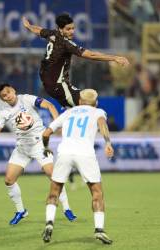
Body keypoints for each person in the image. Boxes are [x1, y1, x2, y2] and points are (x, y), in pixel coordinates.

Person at [0, 83, 76, 225]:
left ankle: (67, 208)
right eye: (4, 96)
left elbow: (49, 105)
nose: (7, 96)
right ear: (2, 99)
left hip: (39, 145)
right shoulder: (4, 112)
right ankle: (21, 211)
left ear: (13, 90)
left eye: (8, 92)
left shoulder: (26, 99)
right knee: (8, 180)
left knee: (53, 176)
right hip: (22, 148)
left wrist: (56, 125)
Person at [41, 89, 114, 244]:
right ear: (96, 102)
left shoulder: (68, 112)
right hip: (85, 154)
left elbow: (46, 134)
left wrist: (46, 148)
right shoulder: (98, 111)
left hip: (65, 153)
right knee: (97, 193)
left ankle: (49, 223)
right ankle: (99, 230)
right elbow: (102, 124)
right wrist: (107, 142)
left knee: (54, 191)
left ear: (80, 101)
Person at [22, 13, 129, 108]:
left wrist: (28, 26)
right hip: (59, 86)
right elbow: (90, 55)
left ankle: (66, 121)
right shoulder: (67, 44)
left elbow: (38, 30)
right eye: (68, 29)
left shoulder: (52, 34)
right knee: (89, 104)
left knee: (74, 109)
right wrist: (114, 58)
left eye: (73, 28)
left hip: (48, 85)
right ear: (60, 29)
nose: (72, 32)